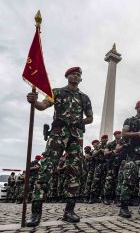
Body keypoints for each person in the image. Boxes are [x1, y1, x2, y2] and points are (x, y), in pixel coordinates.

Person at [26, 66, 93, 226]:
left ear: (81, 79)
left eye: (78, 75)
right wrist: (34, 101)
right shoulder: (56, 92)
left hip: (75, 137)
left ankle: (69, 211)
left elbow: (90, 118)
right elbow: (42, 106)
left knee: (75, 171)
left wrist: (79, 122)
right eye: (73, 74)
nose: (76, 77)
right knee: (46, 168)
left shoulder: (84, 98)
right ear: (67, 76)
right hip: (57, 134)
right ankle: (36, 213)